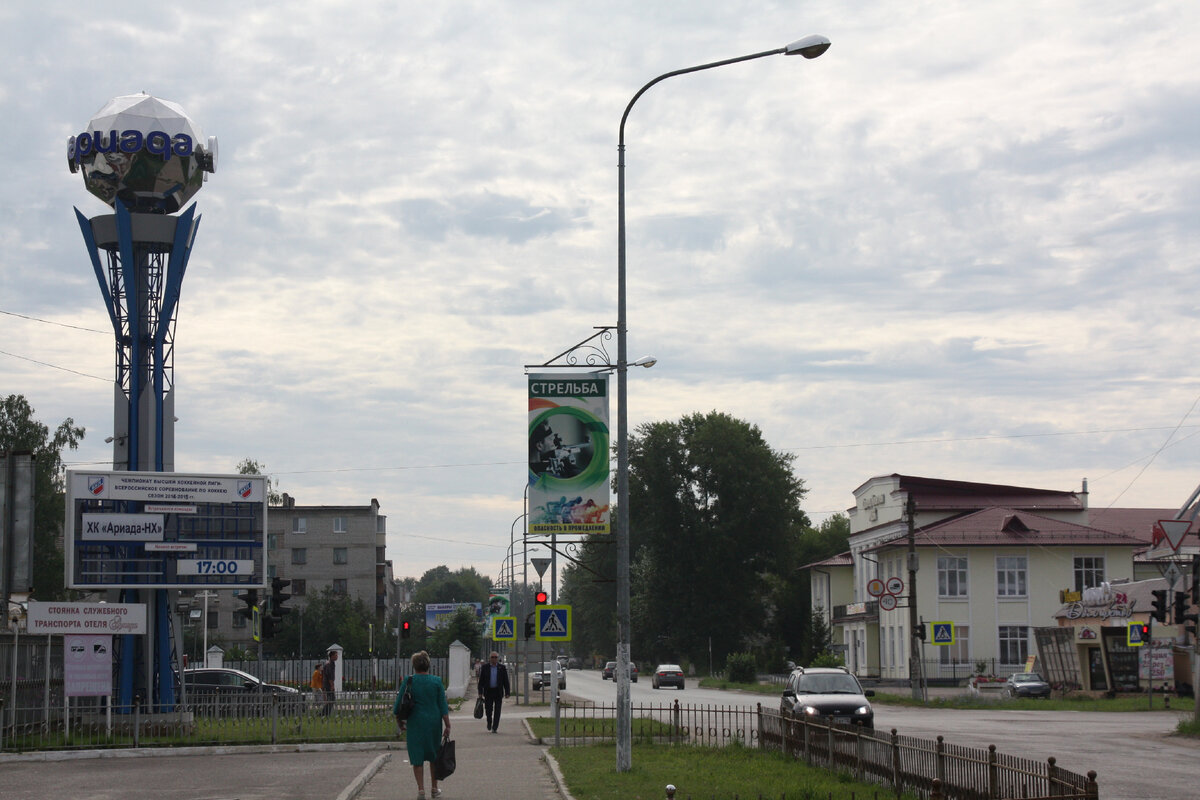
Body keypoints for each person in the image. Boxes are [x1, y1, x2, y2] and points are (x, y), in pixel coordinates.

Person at [395, 650, 450, 800]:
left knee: (417, 757)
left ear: (414, 665)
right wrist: (448, 725)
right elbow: (443, 706)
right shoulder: (437, 681)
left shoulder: (409, 680)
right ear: (428, 665)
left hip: (415, 722)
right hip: (433, 722)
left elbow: (398, 704)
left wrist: (399, 721)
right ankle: (434, 788)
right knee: (433, 756)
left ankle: (421, 790)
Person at [476, 650, 510, 733]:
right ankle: (489, 722)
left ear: (498, 658)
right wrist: (480, 693)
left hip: (498, 692)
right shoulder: (485, 667)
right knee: (488, 709)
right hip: (488, 692)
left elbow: (506, 681)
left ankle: (495, 727)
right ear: (489, 658)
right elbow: (481, 682)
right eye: (492, 657)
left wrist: (507, 692)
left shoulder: (501, 668)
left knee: (497, 710)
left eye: (496, 657)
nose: (494, 659)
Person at [321, 650, 338, 716]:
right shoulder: (329, 664)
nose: (337, 657)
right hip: (328, 684)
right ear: (332, 656)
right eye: (336, 655)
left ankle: (325, 713)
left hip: (328, 684)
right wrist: (332, 685)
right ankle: (324, 713)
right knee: (331, 699)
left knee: (331, 699)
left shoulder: (332, 663)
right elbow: (329, 676)